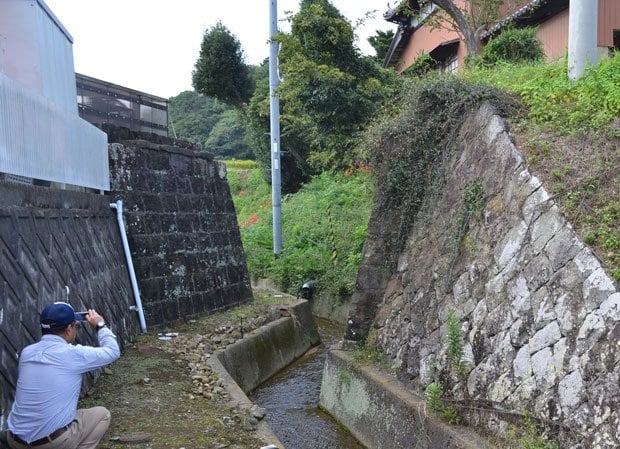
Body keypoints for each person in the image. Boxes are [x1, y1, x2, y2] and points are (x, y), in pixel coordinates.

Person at [6, 302, 120, 449]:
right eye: (76, 326)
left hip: (15, 441)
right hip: (50, 443)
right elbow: (112, 351)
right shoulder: (73, 354)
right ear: (69, 328)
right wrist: (100, 326)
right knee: (102, 414)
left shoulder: (27, 353)